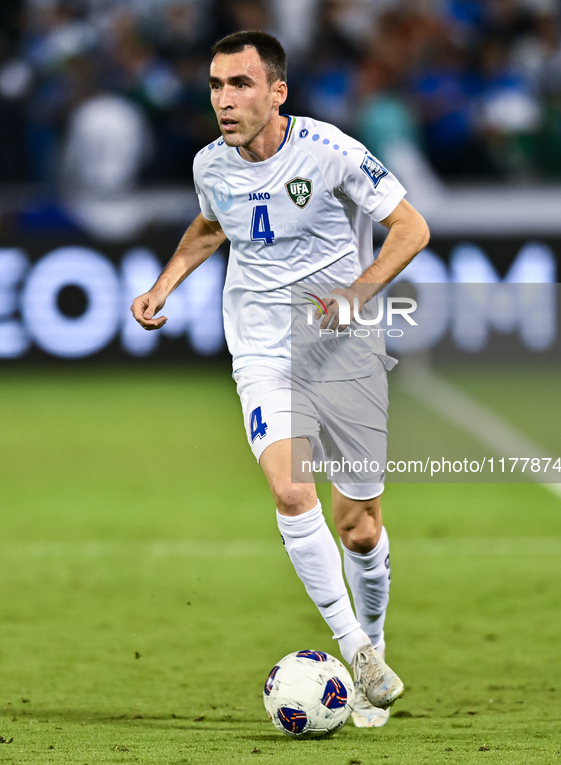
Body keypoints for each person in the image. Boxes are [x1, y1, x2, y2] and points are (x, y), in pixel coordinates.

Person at [131, 30, 429, 729]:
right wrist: (164, 283)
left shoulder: (330, 153)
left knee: (358, 528)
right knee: (292, 488)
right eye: (214, 85)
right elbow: (211, 224)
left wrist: (355, 295)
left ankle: (375, 640)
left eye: (239, 84)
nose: (224, 100)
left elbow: (410, 228)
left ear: (276, 91)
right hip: (263, 349)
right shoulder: (211, 164)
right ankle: (356, 651)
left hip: (344, 351)